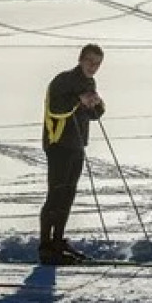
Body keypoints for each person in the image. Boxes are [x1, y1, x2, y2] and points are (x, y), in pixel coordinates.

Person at [39, 44, 105, 265]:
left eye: (97, 63)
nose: (93, 67)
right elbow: (55, 109)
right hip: (58, 144)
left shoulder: (89, 83)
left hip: (77, 144)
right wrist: (79, 100)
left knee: (68, 195)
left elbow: (93, 114)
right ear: (80, 59)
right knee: (56, 195)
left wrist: (97, 104)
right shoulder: (63, 80)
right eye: (90, 61)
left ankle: (58, 241)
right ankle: (46, 246)